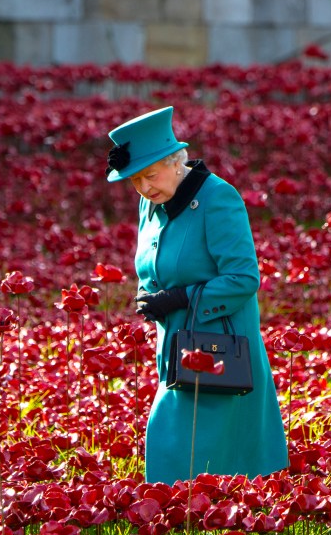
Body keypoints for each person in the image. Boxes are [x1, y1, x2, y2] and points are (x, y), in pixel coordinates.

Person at [104, 106, 288, 485]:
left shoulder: (218, 198)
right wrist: (148, 295)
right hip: (175, 345)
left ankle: (225, 529)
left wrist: (182, 297)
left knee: (205, 451)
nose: (143, 188)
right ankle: (185, 533)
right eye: (134, 181)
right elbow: (150, 262)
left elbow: (243, 278)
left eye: (149, 176)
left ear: (176, 162)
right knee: (178, 448)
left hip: (221, 348)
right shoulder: (150, 202)